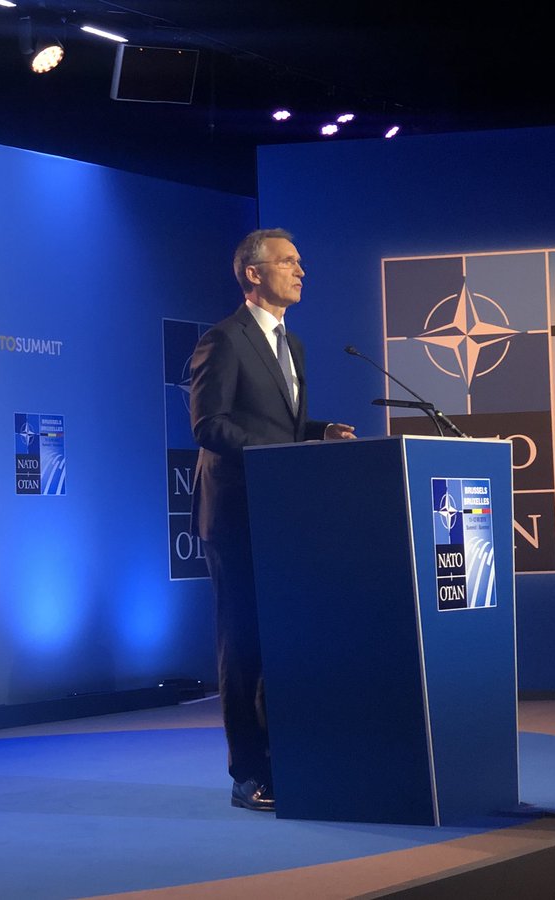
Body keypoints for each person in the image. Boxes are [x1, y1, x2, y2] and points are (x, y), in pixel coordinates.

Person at [190, 228, 355, 812]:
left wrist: (317, 432)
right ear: (254, 273)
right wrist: (285, 450)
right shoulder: (224, 340)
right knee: (244, 647)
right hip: (236, 516)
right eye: (288, 262)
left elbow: (275, 425)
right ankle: (248, 774)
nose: (300, 270)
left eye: (300, 262)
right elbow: (209, 424)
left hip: (282, 517)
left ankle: (288, 762)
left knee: (282, 643)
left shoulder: (294, 345)